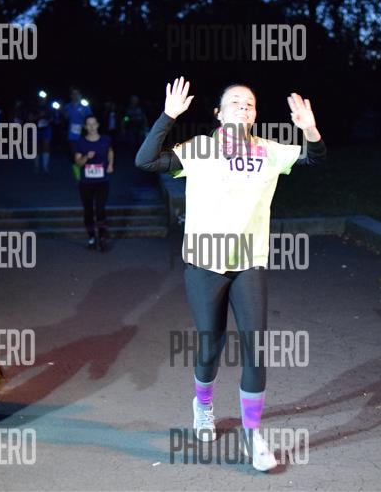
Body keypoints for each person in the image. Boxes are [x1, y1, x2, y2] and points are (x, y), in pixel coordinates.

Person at [135, 77, 326, 471]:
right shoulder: (199, 150)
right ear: (219, 114)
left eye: (250, 104)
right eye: (235, 102)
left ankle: (253, 435)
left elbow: (316, 159)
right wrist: (168, 117)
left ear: (254, 116)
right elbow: (145, 161)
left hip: (249, 263)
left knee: (256, 349)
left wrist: (309, 129)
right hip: (204, 265)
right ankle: (203, 406)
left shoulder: (268, 151)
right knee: (211, 346)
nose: (243, 107)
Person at [74, 115, 114, 251]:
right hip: (86, 183)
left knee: (100, 209)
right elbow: (78, 162)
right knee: (88, 210)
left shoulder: (105, 139)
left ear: (98, 125)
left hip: (102, 181)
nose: (91, 127)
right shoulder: (81, 142)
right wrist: (86, 157)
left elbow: (110, 151)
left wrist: (110, 164)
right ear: (85, 127)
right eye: (88, 124)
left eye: (93, 123)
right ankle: (92, 237)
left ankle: (102, 237)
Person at [64, 87, 92, 182]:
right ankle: (78, 178)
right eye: (73, 94)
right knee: (74, 157)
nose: (75, 96)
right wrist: (63, 114)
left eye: (77, 94)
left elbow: (91, 119)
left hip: (84, 135)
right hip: (72, 136)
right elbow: (64, 119)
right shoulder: (67, 107)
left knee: (86, 156)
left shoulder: (85, 106)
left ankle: (87, 176)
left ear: (80, 95)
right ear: (71, 95)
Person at [29, 93, 53, 174]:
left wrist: (49, 119)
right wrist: (38, 116)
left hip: (46, 129)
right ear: (38, 98)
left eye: (44, 98)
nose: (42, 99)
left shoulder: (49, 107)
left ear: (46, 99)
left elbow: (54, 118)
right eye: (41, 98)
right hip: (36, 129)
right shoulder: (34, 107)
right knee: (36, 148)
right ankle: (36, 166)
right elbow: (30, 119)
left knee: (46, 147)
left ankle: (45, 167)